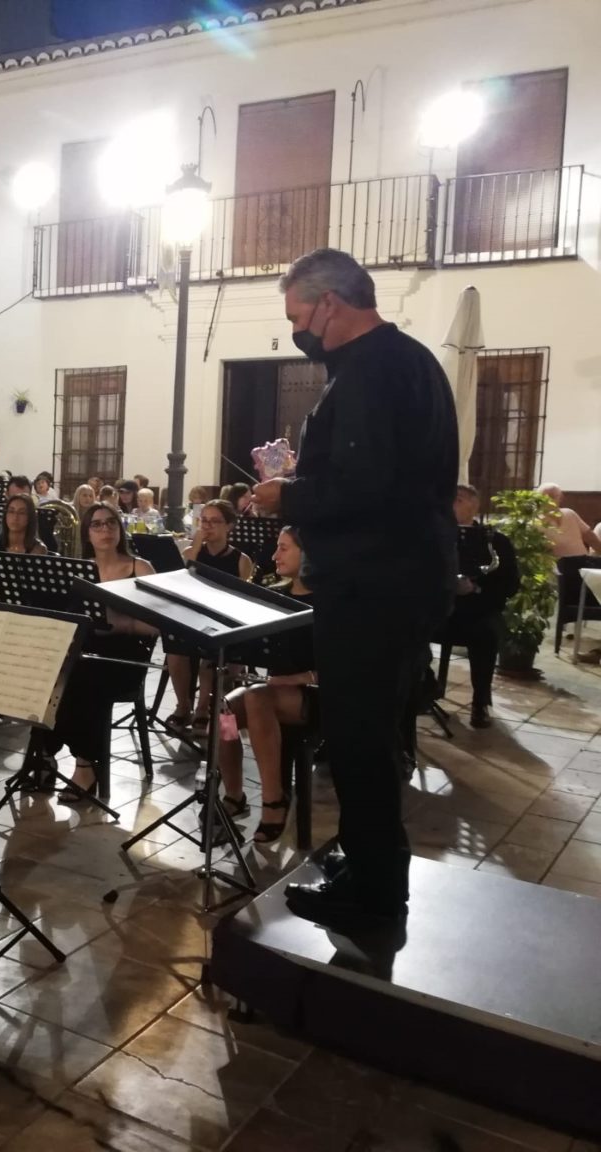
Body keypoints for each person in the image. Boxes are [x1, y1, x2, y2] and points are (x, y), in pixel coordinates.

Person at [251, 247, 458, 927]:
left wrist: (288, 494)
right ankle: (373, 860)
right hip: (401, 578)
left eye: (297, 315)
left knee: (357, 739)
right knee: (369, 735)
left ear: (330, 303)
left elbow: (362, 488)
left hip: (374, 584)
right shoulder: (414, 361)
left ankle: (372, 897)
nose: (297, 331)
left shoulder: (370, 372)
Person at [28, 502, 158, 800]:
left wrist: (118, 623)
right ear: (87, 533)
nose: (105, 530)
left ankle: (84, 765)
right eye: (97, 525)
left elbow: (156, 627)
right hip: (86, 653)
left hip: (125, 657)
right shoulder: (79, 571)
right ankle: (46, 755)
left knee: (81, 678)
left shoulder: (140, 567)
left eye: (111, 523)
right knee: (49, 674)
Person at [215, 527, 316, 844]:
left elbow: (346, 666)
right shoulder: (277, 593)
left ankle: (274, 800)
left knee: (258, 698)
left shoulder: (331, 601)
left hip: (319, 694)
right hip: (274, 691)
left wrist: (292, 680)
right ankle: (234, 793)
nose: (275, 556)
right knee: (225, 711)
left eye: (284, 548)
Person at [165, 500, 254, 729]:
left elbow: (243, 600)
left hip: (222, 620)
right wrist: (195, 545)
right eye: (204, 520)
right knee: (175, 650)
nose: (208, 526)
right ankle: (183, 706)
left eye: (215, 521)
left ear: (229, 526)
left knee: (210, 657)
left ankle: (202, 708)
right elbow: (182, 580)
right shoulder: (191, 552)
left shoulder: (241, 560)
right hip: (191, 615)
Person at [442, 484, 518, 728]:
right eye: (449, 497)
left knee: (485, 634)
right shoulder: (433, 536)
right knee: (405, 627)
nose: (452, 502)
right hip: (438, 611)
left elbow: (509, 584)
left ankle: (480, 702)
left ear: (475, 508)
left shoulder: (495, 541)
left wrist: (476, 588)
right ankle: (423, 688)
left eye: (459, 499)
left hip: (477, 611)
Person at [538, 483, 597, 558]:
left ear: (561, 498)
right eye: (544, 497)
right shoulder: (536, 521)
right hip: (558, 566)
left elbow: (591, 538)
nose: (549, 500)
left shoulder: (570, 514)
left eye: (552, 496)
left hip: (583, 562)